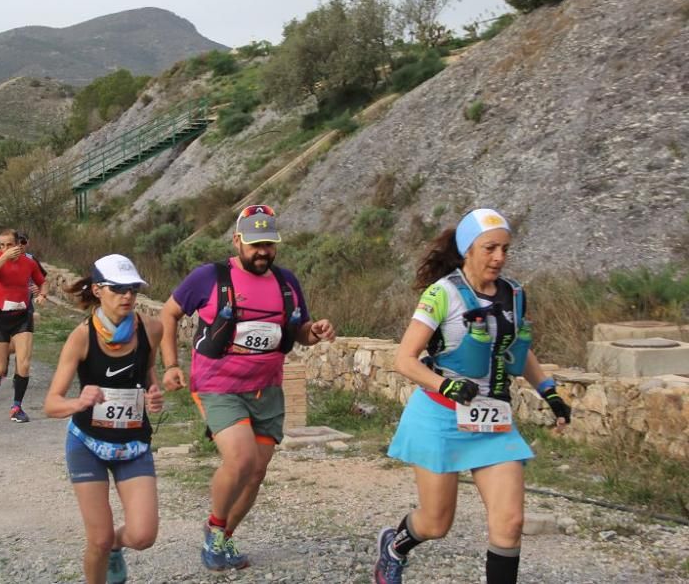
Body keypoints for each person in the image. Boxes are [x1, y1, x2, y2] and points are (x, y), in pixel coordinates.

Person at [372, 209, 572, 584]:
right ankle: (394, 546)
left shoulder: (514, 294)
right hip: (440, 417)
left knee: (510, 522)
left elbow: (517, 349)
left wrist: (551, 393)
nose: (499, 257)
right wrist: (445, 384)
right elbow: (404, 360)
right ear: (468, 249)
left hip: (492, 419)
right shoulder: (443, 294)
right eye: (490, 248)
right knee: (435, 523)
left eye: (505, 249)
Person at [160, 204, 335, 571]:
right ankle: (215, 527)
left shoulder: (286, 283)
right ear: (237, 240)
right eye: (255, 244)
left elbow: (299, 331)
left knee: (257, 472)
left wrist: (314, 332)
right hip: (217, 385)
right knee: (241, 460)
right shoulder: (209, 277)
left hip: (267, 389)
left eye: (269, 244)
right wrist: (171, 364)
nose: (263, 252)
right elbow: (169, 312)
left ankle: (221, 536)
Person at [44, 254, 164, 584]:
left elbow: (148, 373)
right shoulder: (82, 337)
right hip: (88, 445)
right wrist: (77, 402)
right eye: (118, 289)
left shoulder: (151, 329)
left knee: (143, 536)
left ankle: (116, 546)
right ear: (98, 290)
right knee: (97, 538)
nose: (127, 296)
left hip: (133, 444)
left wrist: (154, 393)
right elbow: (51, 404)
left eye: (133, 289)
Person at [0, 229, 47, 422]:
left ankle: (16, 406)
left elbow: (44, 282)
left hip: (22, 316)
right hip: (0, 318)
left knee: (24, 363)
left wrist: (42, 294)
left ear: (19, 244)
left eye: (9, 245)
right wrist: (3, 258)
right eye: (2, 245)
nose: (5, 249)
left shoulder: (29, 262)